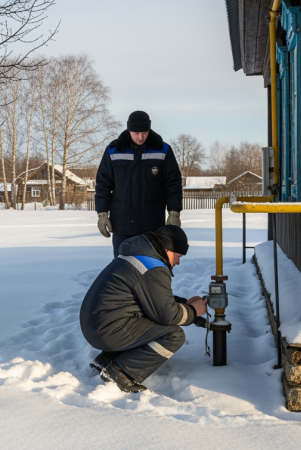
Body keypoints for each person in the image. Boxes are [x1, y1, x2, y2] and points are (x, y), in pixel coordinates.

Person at [78, 225, 207, 393]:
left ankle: (107, 359)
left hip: (97, 325)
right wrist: (193, 312)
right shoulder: (153, 268)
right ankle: (121, 373)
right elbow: (167, 315)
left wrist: (186, 305)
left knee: (151, 320)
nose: (178, 262)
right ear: (168, 249)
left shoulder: (139, 257)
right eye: (178, 256)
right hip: (106, 330)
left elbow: (152, 300)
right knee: (173, 335)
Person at [95, 111, 183, 257]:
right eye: (136, 133)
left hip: (153, 226)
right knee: (122, 269)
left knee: (151, 269)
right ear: (129, 130)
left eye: (144, 132)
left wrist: (174, 212)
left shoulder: (163, 150)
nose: (140, 137)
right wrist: (102, 213)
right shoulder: (113, 150)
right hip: (122, 225)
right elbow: (103, 184)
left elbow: (173, 184)